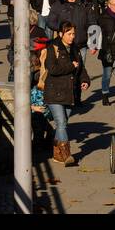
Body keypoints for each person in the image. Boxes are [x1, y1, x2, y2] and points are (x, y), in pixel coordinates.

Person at [41, 21, 88, 166]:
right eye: (69, 34)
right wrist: (70, 66)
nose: (72, 37)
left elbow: (81, 68)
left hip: (69, 92)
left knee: (63, 124)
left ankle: (57, 154)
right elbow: (52, 69)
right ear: (61, 34)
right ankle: (66, 155)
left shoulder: (75, 49)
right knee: (61, 123)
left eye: (73, 34)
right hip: (54, 91)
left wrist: (85, 80)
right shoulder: (52, 47)